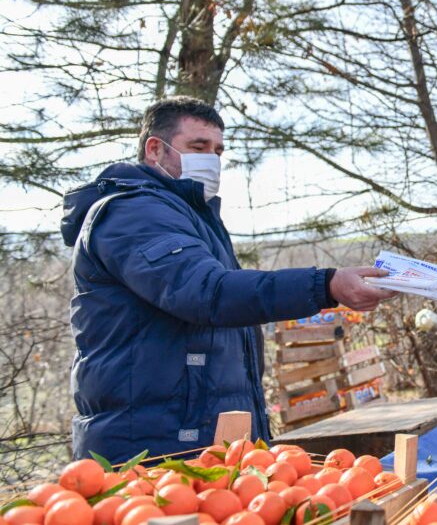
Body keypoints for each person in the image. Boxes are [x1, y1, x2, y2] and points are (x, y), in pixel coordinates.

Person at [60, 97, 396, 462]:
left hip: (199, 439)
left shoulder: (193, 218)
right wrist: (325, 284)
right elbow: (207, 293)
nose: (212, 160)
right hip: (151, 447)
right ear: (155, 149)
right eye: (198, 147)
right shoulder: (133, 213)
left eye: (218, 150)